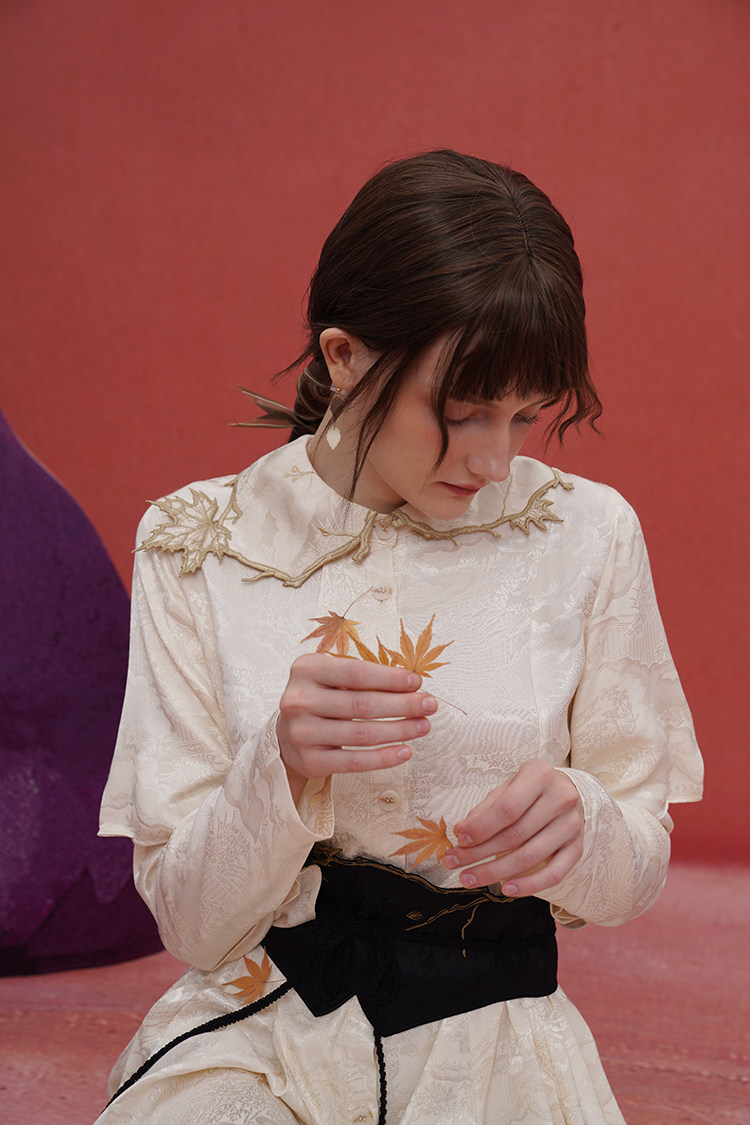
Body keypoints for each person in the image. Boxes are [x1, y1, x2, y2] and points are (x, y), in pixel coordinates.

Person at [97, 150, 703, 1124]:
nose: (496, 458)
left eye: (525, 415)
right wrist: (280, 767)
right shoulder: (196, 544)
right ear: (344, 356)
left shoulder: (588, 536)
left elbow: (635, 864)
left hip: (494, 1056)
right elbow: (192, 924)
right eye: (462, 413)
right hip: (258, 1036)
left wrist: (584, 825)